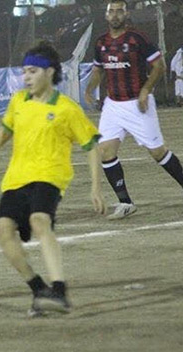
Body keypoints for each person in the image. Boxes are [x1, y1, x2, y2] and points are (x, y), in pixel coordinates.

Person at [0, 41, 106, 316]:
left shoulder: (66, 108)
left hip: (49, 177)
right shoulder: (19, 101)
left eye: (32, 71)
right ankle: (38, 288)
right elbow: (4, 132)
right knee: (2, 229)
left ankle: (59, 290)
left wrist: (95, 188)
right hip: (16, 179)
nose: (26, 77)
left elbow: (91, 146)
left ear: (49, 72)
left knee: (39, 221)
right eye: (24, 72)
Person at [85, 0, 183, 220]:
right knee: (105, 151)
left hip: (138, 104)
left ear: (126, 14)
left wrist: (145, 90)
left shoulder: (138, 38)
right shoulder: (100, 42)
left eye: (119, 11)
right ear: (106, 15)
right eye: (111, 11)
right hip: (113, 105)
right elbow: (98, 70)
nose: (115, 15)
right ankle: (125, 203)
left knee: (158, 152)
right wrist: (90, 89)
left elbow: (159, 66)